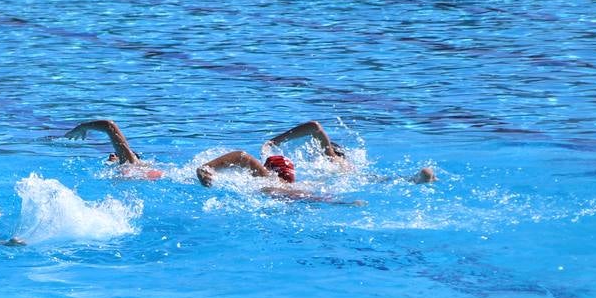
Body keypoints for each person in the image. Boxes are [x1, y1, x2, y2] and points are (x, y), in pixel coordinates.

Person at [196, 119, 436, 187]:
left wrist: (274, 141)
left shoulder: (332, 160)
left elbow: (314, 126)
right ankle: (414, 179)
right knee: (383, 180)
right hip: (343, 183)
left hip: (291, 185)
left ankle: (415, 178)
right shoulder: (343, 167)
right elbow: (314, 128)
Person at [61, 119, 164, 179]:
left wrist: (83, 126)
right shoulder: (130, 169)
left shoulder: (130, 162)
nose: (112, 154)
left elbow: (109, 125)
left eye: (117, 154)